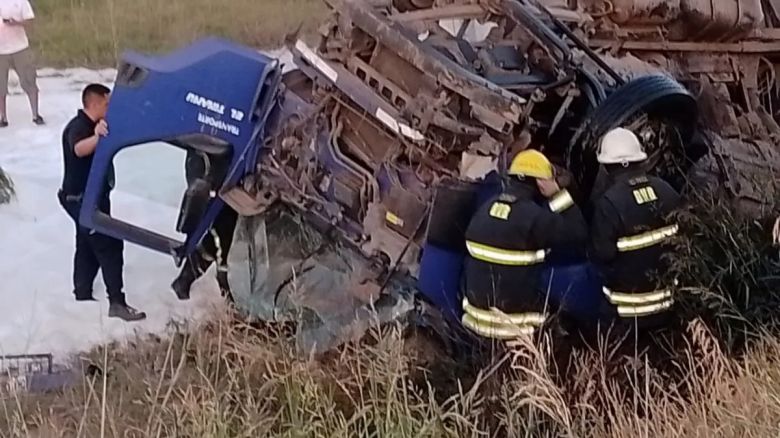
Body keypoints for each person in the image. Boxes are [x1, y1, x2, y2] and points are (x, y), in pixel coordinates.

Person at [461, 149, 588, 340]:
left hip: (475, 323)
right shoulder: (534, 218)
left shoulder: (484, 210)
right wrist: (557, 194)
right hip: (518, 329)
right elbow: (579, 232)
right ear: (540, 183)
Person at [58, 83, 145, 322]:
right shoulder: (78, 127)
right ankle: (117, 302)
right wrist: (96, 137)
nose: (110, 107)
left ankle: (82, 294)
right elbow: (78, 149)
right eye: (107, 103)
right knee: (109, 245)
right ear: (94, 103)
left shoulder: (96, 124)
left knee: (86, 244)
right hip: (81, 201)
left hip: (92, 198)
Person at [589, 127, 681, 329]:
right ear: (641, 159)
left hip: (627, 316)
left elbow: (601, 255)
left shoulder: (608, 203)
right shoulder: (668, 191)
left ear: (607, 166)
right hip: (669, 307)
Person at [171, 151, 238, 301]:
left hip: (221, 170)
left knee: (220, 232)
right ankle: (228, 294)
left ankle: (184, 280)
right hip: (207, 172)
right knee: (225, 232)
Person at [0, 0, 43, 127]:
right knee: (0, 85)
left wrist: (16, 23)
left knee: (29, 80)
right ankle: (3, 117)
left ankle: (36, 114)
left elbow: (30, 22)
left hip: (20, 48)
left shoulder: (21, 2)